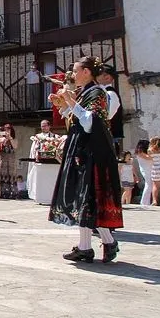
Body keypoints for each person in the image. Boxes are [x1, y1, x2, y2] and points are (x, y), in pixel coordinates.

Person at [48, 56, 124, 264]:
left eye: (76, 70)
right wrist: (63, 104)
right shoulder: (85, 93)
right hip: (82, 149)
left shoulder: (97, 92)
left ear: (86, 72)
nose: (73, 74)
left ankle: (88, 247)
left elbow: (91, 122)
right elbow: (76, 118)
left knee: (87, 198)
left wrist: (70, 100)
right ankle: (101, 244)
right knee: (85, 199)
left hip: (91, 152)